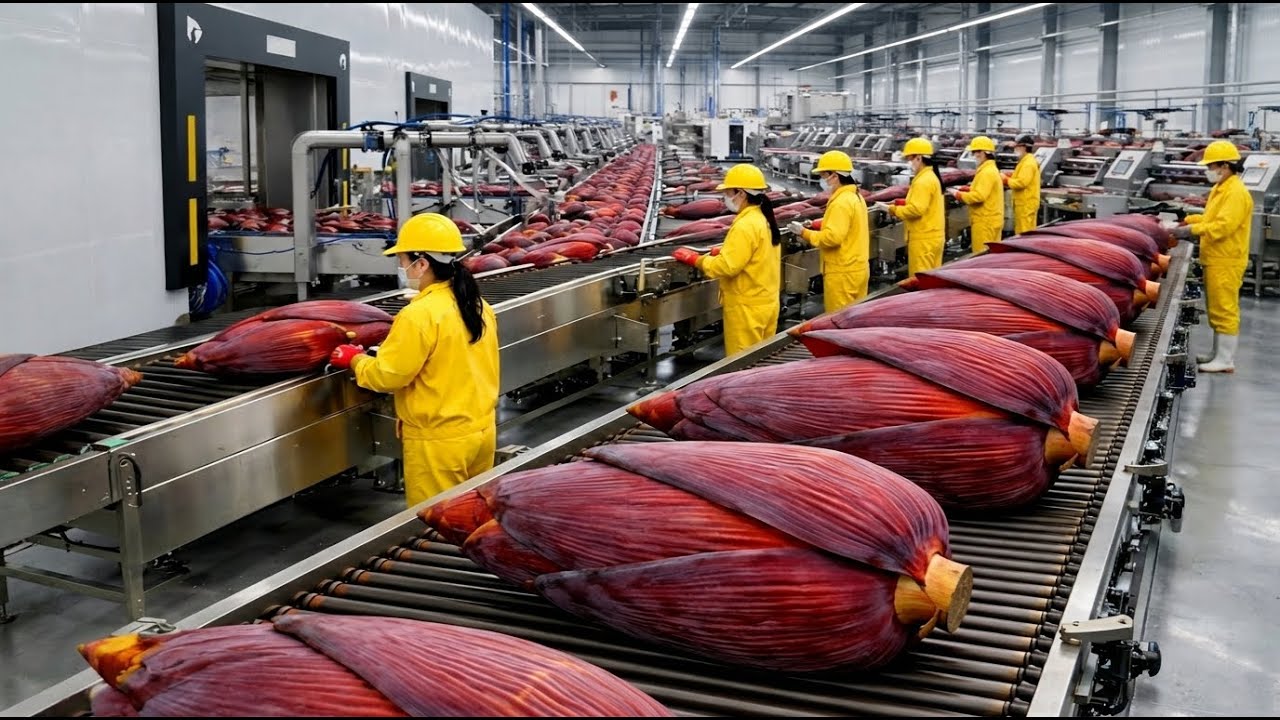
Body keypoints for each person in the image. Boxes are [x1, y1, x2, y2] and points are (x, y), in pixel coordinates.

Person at [328, 213, 500, 507]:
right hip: (480, 432)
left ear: (422, 263)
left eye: (404, 259)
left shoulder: (419, 314)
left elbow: (389, 376)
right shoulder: (476, 304)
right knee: (472, 514)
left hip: (439, 444)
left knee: (436, 523)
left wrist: (355, 360)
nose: (400, 265)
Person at [672, 163, 782, 356]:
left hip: (746, 308)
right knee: (760, 362)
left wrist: (695, 259)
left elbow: (726, 267)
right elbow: (756, 254)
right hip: (766, 303)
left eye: (729, 192)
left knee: (743, 367)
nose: (726, 197)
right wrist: (725, 250)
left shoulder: (745, 225)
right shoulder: (762, 219)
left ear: (741, 193)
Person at [1169, 140, 1253, 373]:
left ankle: (1226, 359)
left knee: (1225, 308)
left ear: (1225, 166)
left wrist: (1190, 231)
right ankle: (1218, 354)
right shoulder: (1222, 188)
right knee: (1216, 307)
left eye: (1211, 166)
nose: (1209, 171)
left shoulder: (1236, 192)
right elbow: (1210, 219)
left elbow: (1223, 226)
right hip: (1216, 257)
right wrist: (1189, 221)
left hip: (1226, 259)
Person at [787, 150, 870, 313]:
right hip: (857, 269)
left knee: (840, 322)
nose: (823, 180)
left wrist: (804, 232)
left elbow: (832, 238)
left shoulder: (841, 202)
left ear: (835, 175)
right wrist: (817, 224)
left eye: (825, 175)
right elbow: (846, 223)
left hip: (842, 274)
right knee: (855, 320)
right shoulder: (854, 196)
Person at [874, 137, 945, 276]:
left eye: (910, 158)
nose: (909, 162)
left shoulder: (923, 181)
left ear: (919, 158)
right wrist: (900, 203)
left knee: (921, 280)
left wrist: (890, 209)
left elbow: (916, 210)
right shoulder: (930, 176)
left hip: (923, 239)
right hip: (932, 236)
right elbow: (922, 204)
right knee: (932, 278)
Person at [951, 135, 1004, 253]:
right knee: (991, 255)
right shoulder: (989, 169)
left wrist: (958, 195)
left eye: (977, 152)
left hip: (985, 222)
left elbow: (979, 196)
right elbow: (982, 189)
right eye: (974, 152)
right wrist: (967, 189)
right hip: (990, 219)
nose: (975, 155)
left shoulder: (987, 172)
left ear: (985, 153)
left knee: (982, 255)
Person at [1004, 135, 1042, 234]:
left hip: (1026, 203)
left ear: (1023, 147)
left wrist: (1005, 180)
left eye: (1017, 146)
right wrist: (1011, 175)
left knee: (1024, 232)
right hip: (1025, 202)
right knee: (1026, 230)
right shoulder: (1025, 160)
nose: (1015, 149)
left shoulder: (1028, 163)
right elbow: (1022, 177)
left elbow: (1021, 183)